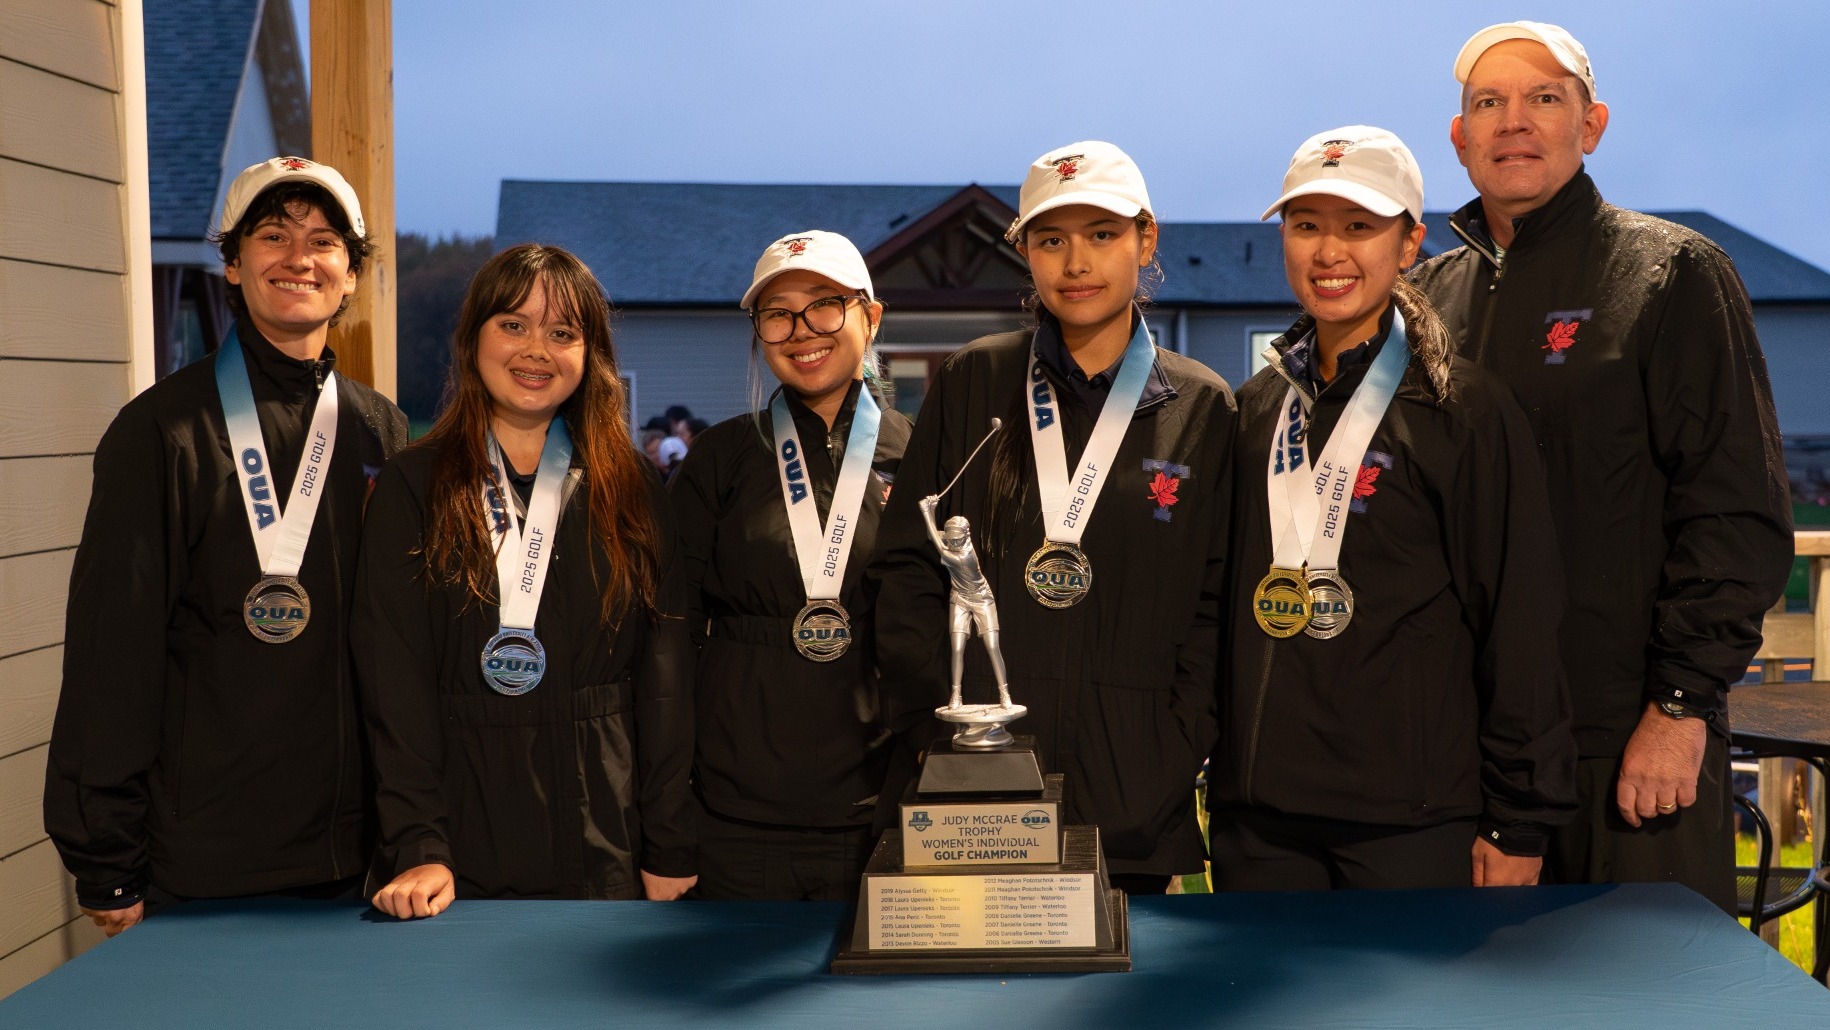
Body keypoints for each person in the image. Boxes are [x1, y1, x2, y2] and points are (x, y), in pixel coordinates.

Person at [1411, 22, 1792, 911]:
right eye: (1488, 103)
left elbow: (1736, 511)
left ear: (1593, 125)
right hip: (1467, 748)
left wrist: (1680, 707)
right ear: (1459, 138)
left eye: (1544, 98)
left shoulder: (1673, 273)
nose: (1514, 122)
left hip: (1623, 739)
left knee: (1645, 999)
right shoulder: (1426, 299)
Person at [1207, 126, 1577, 891]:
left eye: (1358, 227)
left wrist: (1518, 818)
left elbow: (1519, 617)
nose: (1328, 251)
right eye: (1306, 225)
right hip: (1261, 818)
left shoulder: (1463, 409)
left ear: (1409, 245)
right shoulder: (1254, 409)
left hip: (1409, 822)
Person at [44, 157, 407, 935]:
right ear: (234, 265)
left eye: (324, 241)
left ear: (350, 277)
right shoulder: (160, 432)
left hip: (359, 861)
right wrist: (107, 860)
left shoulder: (382, 429)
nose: (299, 257)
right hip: (201, 863)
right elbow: (113, 653)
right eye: (272, 235)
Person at [869, 142, 1235, 895]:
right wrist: (933, 733)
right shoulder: (975, 379)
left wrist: (1167, 751)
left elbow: (1214, 603)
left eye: (1102, 235)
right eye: (1051, 239)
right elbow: (908, 567)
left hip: (1133, 801)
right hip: (975, 794)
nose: (1076, 263)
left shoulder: (1203, 407)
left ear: (1146, 239)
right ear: (1026, 252)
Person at [354, 243, 696, 918]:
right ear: (473, 337)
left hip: (608, 839)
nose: (536, 349)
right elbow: (393, 685)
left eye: (562, 331)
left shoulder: (631, 489)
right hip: (456, 848)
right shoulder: (412, 487)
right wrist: (420, 842)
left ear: (588, 354)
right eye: (513, 324)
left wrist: (669, 841)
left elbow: (666, 678)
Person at [669, 230, 911, 900]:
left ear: (871, 315)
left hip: (883, 813)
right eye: (777, 313)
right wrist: (667, 813)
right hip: (737, 818)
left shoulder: (926, 457)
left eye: (825, 305)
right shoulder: (720, 459)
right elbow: (670, 637)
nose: (802, 330)